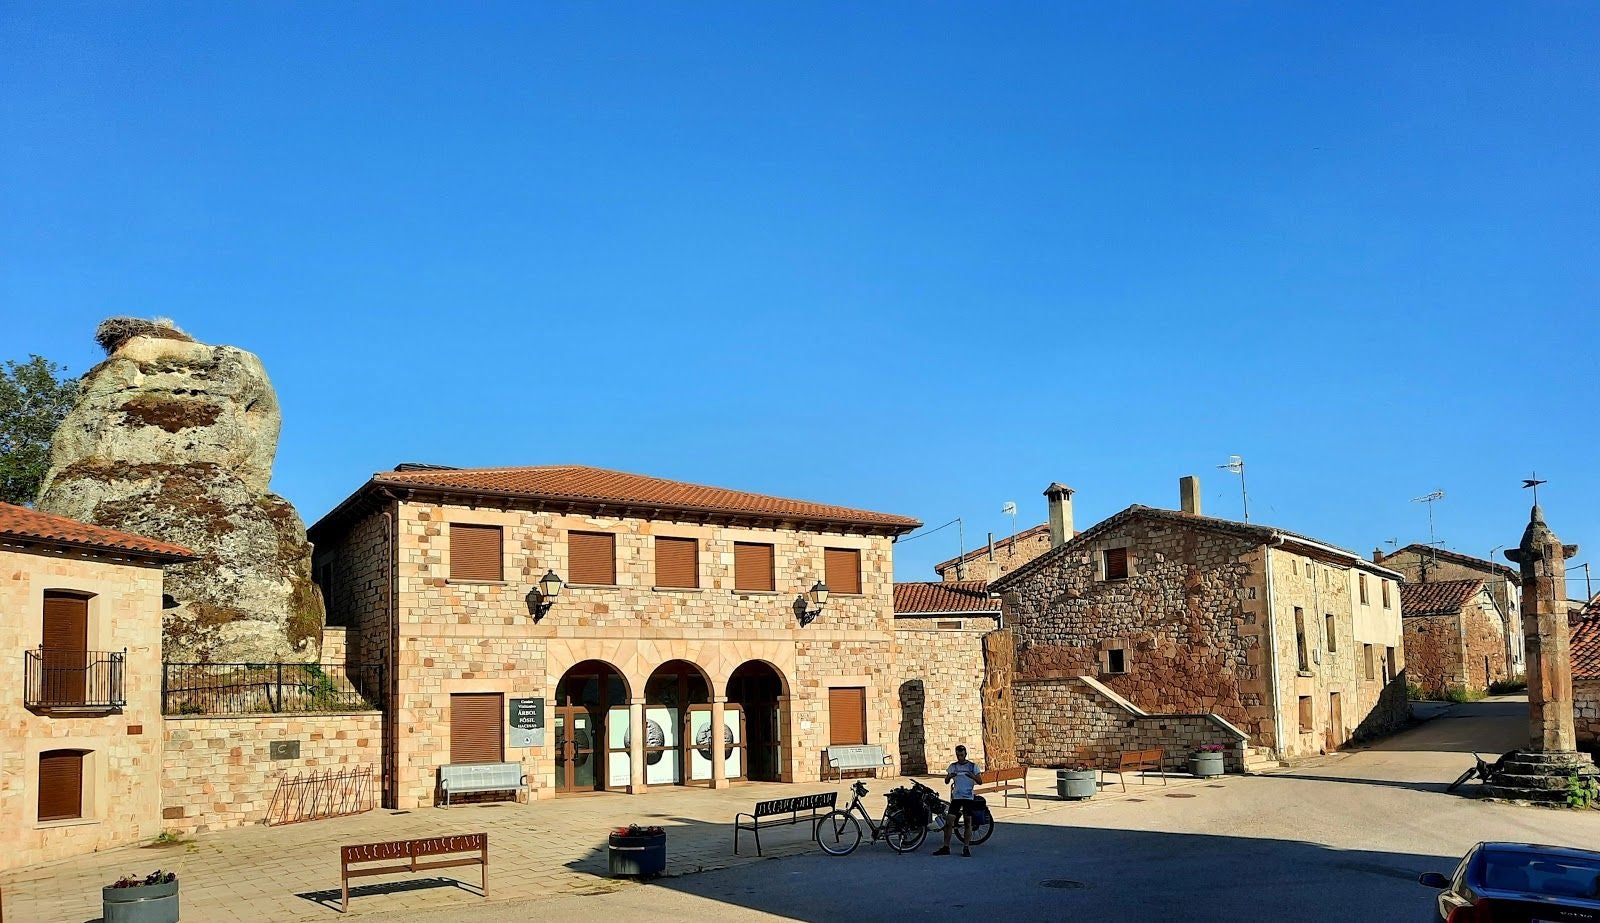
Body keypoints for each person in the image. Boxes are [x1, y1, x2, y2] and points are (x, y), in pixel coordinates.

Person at [933, 744, 982, 857]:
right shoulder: (953, 766)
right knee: (949, 822)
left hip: (968, 798)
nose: (960, 757)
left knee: (967, 822)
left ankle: (966, 847)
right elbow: (946, 781)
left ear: (965, 754)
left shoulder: (972, 766)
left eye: (962, 755)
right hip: (957, 798)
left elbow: (980, 781)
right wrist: (950, 777)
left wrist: (972, 776)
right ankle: (946, 847)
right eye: (958, 755)